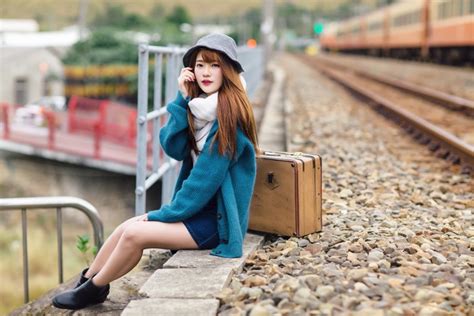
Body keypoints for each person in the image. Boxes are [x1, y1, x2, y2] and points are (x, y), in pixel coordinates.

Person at [52, 33, 259, 310]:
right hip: (200, 214)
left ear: (229, 70)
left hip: (215, 223)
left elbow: (201, 185)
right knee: (126, 225)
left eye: (214, 65)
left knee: (135, 234)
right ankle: (88, 281)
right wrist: (181, 99)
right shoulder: (202, 109)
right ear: (190, 70)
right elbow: (173, 147)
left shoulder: (229, 119)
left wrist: (159, 215)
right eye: (199, 65)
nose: (206, 73)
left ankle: (94, 290)